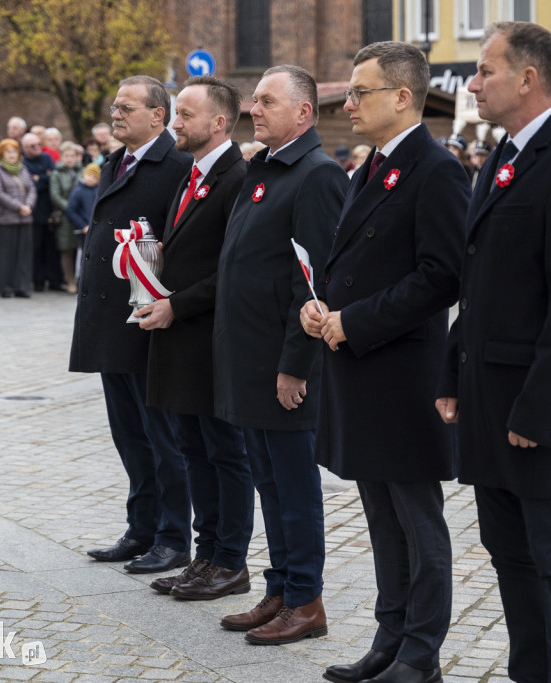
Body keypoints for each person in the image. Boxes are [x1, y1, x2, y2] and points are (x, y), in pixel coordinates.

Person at [435, 22, 551, 683]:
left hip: (540, 409)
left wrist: (538, 411)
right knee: (508, 553)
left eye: (485, 70)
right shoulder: (503, 158)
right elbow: (477, 280)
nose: (473, 83)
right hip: (489, 398)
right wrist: (453, 368)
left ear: (528, 79)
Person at [302, 41, 467, 683]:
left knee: (417, 519)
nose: (348, 103)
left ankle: (421, 651)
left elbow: (442, 275)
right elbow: (352, 264)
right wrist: (320, 309)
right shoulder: (370, 167)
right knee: (379, 515)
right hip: (359, 365)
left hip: (403, 372)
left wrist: (355, 320)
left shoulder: (435, 167)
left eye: (360, 91)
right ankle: (389, 637)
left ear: (402, 97)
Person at [212, 64, 347, 644]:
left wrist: (296, 365)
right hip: (248, 360)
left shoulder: (316, 176)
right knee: (268, 482)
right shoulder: (263, 169)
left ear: (304, 112)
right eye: (253, 100)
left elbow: (312, 284)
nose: (254, 109)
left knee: (293, 487)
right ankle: (281, 588)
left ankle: (307, 601)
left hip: (281, 365)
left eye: (267, 101)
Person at [134, 75, 253, 601]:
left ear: (218, 123)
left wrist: (175, 304)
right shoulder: (192, 174)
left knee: (224, 453)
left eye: (184, 114)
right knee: (194, 450)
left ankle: (230, 560)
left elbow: (233, 268)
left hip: (210, 339)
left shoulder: (236, 177)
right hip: (180, 339)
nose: (175, 122)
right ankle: (205, 557)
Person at [70, 75, 195, 574]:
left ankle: (172, 537)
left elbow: (183, 246)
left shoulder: (177, 166)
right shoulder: (114, 161)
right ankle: (141, 527)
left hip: (149, 322)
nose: (115, 114)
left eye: (126, 107)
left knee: (164, 438)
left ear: (157, 116)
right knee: (129, 435)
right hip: (110, 320)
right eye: (114, 106)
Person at [0, 138, 36, 298]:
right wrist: (18, 207)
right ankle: (6, 286)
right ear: (1, 154)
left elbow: (32, 190)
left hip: (24, 218)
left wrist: (28, 206)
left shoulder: (23, 169)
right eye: (8, 152)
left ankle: (22, 286)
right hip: (4, 219)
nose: (12, 155)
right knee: (6, 255)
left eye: (14, 151)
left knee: (23, 255)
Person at [21, 132, 61, 292]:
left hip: (49, 210)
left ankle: (54, 280)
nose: (38, 147)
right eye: (33, 146)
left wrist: (40, 178)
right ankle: (37, 281)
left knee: (52, 247)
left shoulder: (46, 158)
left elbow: (54, 178)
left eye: (39, 144)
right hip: (33, 211)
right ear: (24, 148)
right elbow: (30, 185)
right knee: (35, 248)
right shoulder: (23, 163)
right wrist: (45, 177)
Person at [49, 141, 82, 293]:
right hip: (65, 217)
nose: (69, 159)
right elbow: (55, 195)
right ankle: (69, 281)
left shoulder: (82, 171)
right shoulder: (56, 173)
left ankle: (80, 279)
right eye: (66, 156)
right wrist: (70, 208)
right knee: (66, 249)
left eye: (72, 156)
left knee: (80, 249)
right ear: (61, 157)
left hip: (81, 217)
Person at [64, 162, 99, 261]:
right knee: (84, 255)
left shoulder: (99, 191)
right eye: (89, 175)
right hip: (82, 230)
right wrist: (82, 225)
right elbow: (71, 211)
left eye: (94, 176)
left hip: (95, 229)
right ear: (84, 174)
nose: (90, 178)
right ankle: (81, 275)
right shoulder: (78, 191)